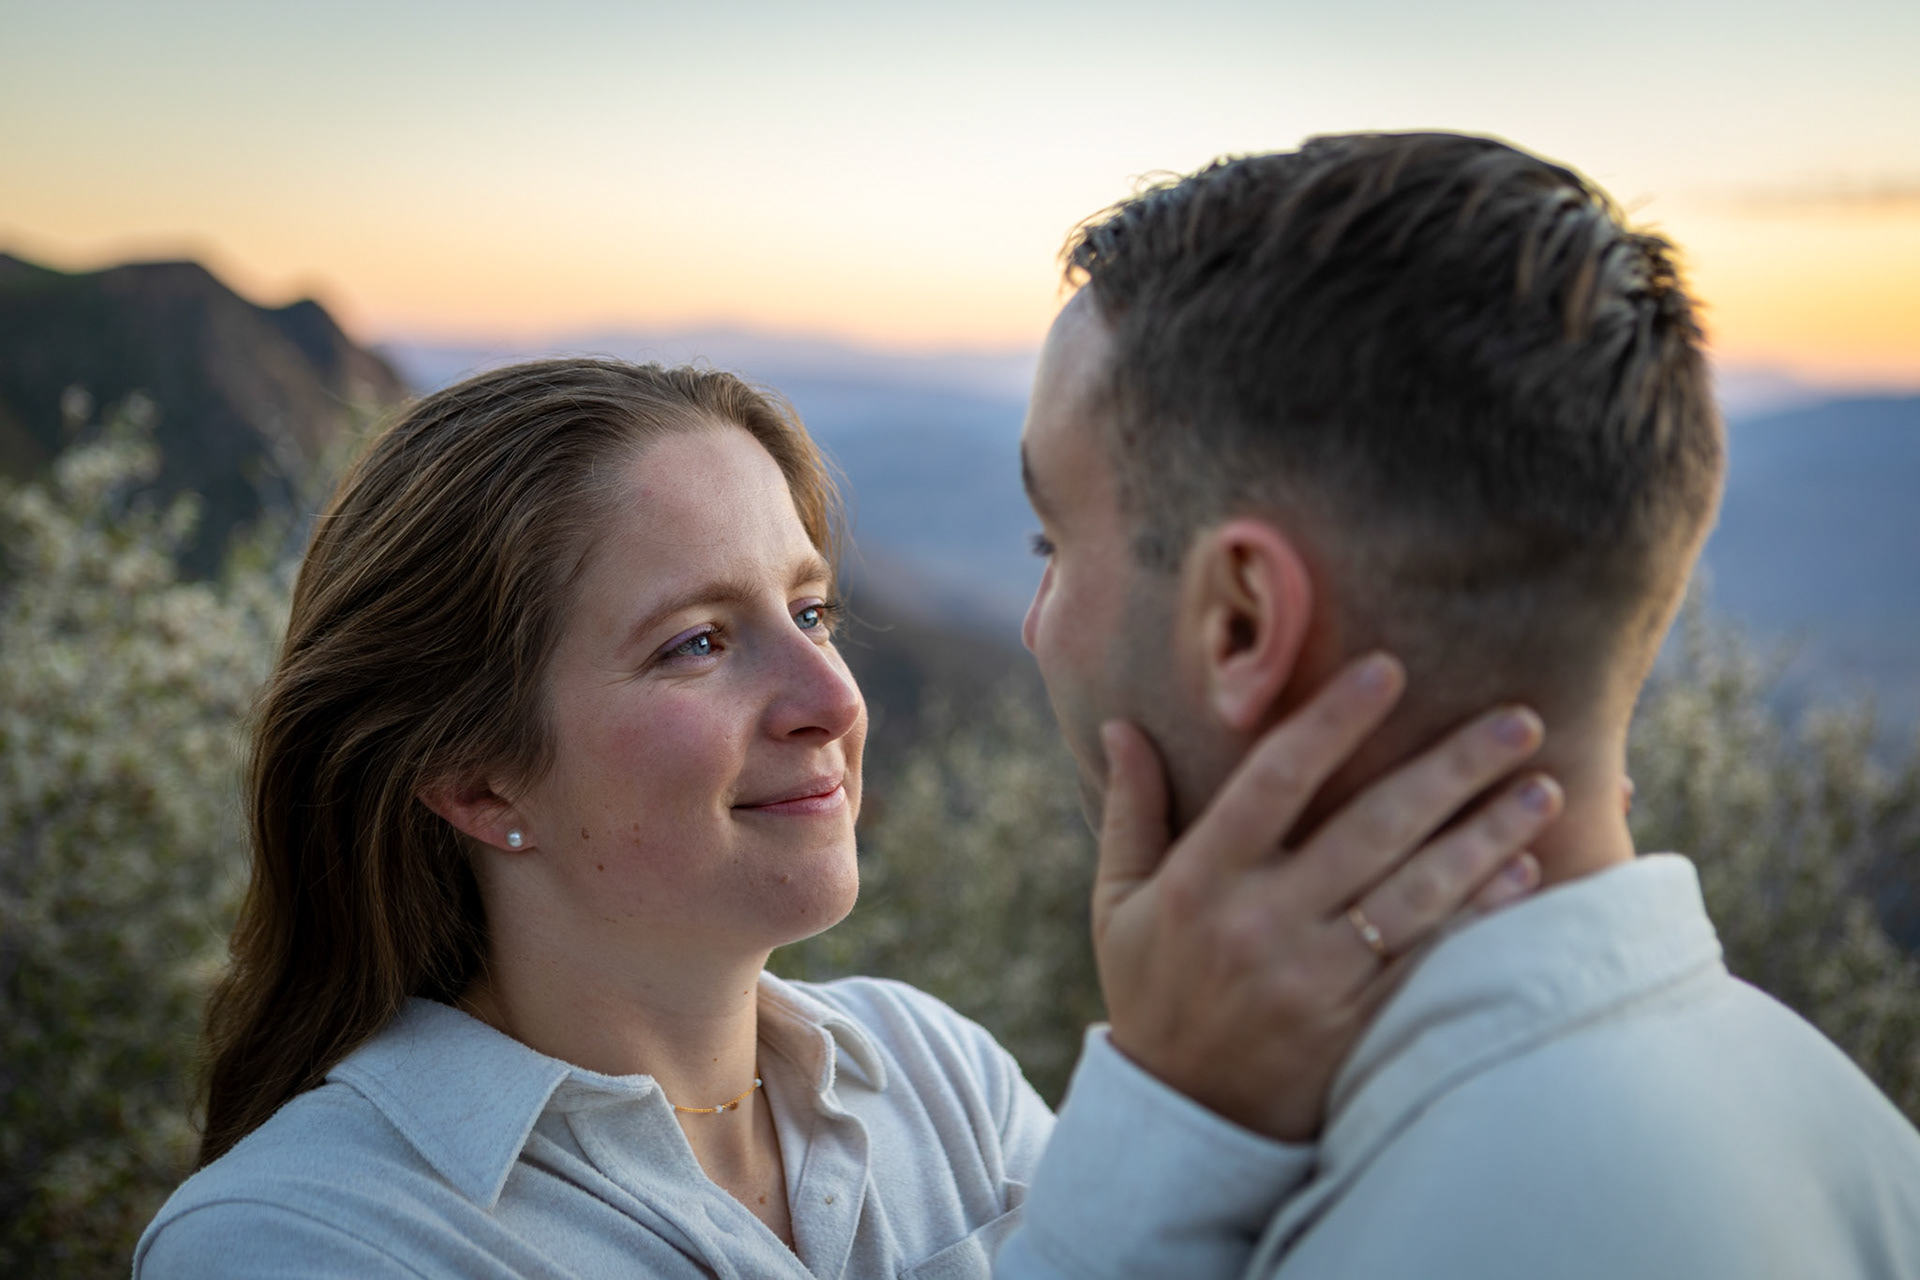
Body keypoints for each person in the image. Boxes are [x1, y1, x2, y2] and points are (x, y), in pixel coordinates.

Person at [134, 359, 1556, 1277]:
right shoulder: (297, 1239)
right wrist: (1178, 1111)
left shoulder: (935, 1073)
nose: (828, 689)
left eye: (810, 609)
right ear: (478, 779)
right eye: (697, 640)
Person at [998, 132, 1920, 1279]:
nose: (1036, 623)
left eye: (1054, 539)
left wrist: (1143, 1155)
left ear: (1240, 620)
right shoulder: (1848, 1127)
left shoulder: (1430, 1233)